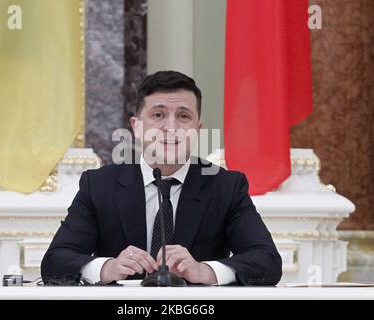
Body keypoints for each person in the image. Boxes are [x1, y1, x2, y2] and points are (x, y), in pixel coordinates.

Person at [41, 71, 282, 286]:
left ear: (198, 129)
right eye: (158, 115)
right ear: (136, 127)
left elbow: (267, 261)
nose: (171, 127)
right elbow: (55, 262)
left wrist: (204, 271)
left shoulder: (226, 187)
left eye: (183, 116)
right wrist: (107, 267)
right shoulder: (99, 185)